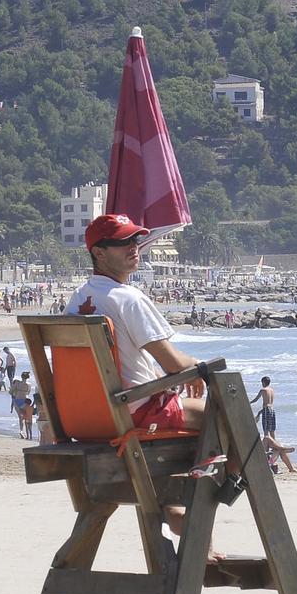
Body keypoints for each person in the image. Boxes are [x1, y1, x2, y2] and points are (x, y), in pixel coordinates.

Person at [66, 214, 217, 553]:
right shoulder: (128, 298)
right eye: (123, 242)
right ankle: (214, 488)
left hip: (88, 419)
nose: (134, 248)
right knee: (222, 412)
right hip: (133, 414)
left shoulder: (76, 299)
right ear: (99, 253)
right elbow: (174, 364)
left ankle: (177, 510)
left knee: (169, 476)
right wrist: (200, 368)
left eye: (135, 241)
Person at [250, 376, 296, 473]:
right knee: (272, 434)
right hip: (272, 410)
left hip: (266, 410)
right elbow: (269, 404)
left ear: (263, 382)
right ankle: (278, 449)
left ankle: (275, 451)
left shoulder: (263, 390)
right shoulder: (271, 390)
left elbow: (256, 400)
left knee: (266, 434)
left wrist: (248, 403)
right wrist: (259, 413)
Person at [10, 371, 34, 439]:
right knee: (26, 417)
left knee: (20, 418)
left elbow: (11, 391)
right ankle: (28, 434)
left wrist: (15, 393)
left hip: (17, 400)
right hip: (25, 401)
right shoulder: (28, 385)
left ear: (21, 377)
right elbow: (28, 393)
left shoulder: (17, 383)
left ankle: (21, 430)